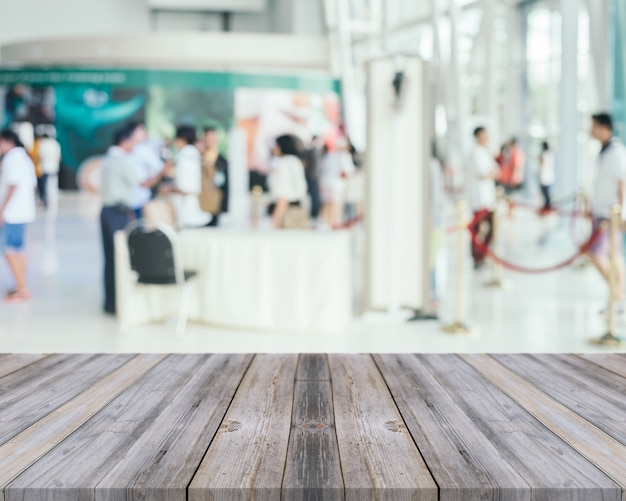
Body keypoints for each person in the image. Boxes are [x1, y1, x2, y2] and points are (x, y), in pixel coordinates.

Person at [100, 127, 147, 315]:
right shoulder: (123, 161)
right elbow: (144, 182)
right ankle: (121, 302)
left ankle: (110, 302)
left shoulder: (107, 159)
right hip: (119, 214)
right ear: (125, 141)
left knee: (110, 258)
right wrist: (163, 172)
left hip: (106, 212)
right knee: (121, 257)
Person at [587, 113, 626, 311]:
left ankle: (618, 296)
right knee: (612, 254)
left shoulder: (617, 152)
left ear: (604, 128)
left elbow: (623, 182)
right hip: (602, 212)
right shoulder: (605, 150)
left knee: (600, 254)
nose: (590, 130)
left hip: (610, 214)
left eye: (593, 126)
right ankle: (617, 296)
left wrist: (623, 213)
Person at [0, 129, 37, 303]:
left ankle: (22, 288)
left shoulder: (11, 159)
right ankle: (20, 284)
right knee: (19, 249)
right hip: (23, 212)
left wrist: (2, 210)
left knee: (8, 249)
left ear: (7, 141)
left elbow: (13, 185)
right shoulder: (24, 158)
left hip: (12, 213)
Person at [467, 126, 499, 269]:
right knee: (477, 229)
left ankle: (482, 254)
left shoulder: (485, 152)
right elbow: (484, 173)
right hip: (478, 199)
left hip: (488, 199)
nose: (487, 138)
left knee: (491, 228)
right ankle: (476, 257)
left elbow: (496, 171)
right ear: (478, 136)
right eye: (485, 135)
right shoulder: (474, 154)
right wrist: (491, 173)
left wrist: (491, 173)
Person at [168, 126, 211, 228]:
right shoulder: (194, 155)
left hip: (188, 209)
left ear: (181, 139)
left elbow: (185, 187)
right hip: (194, 204)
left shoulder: (185, 157)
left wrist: (171, 189)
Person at [268, 134, 308, 229]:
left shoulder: (282, 164)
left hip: (285, 214)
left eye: (276, 146)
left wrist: (276, 222)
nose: (273, 149)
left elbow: (283, 196)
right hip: (297, 210)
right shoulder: (295, 162)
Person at [128, 121, 165, 219]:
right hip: (141, 198)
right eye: (141, 130)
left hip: (129, 201)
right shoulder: (142, 149)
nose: (144, 133)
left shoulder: (126, 150)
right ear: (132, 133)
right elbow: (160, 167)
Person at [319, 138, 355, 227]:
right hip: (336, 184)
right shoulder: (344, 155)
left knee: (327, 203)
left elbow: (322, 168)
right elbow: (348, 170)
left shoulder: (329, 155)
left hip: (325, 182)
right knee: (336, 204)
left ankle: (324, 223)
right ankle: (333, 223)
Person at [199, 127, 229, 227]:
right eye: (207, 138)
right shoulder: (198, 158)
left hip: (216, 204)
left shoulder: (222, 161)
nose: (209, 141)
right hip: (200, 205)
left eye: (212, 139)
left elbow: (224, 185)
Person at [37, 131, 61, 211]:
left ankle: (45, 201)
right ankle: (53, 200)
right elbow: (58, 157)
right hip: (54, 167)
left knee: (44, 185)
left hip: (45, 167)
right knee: (53, 184)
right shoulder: (56, 144)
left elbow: (40, 156)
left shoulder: (43, 144)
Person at [301, 135, 323, 220]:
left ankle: (314, 213)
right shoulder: (314, 150)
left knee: (314, 196)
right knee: (313, 196)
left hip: (312, 176)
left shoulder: (314, 150)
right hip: (312, 176)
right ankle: (314, 213)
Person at [539, 141, 556, 213]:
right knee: (547, 194)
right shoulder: (551, 154)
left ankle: (547, 207)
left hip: (544, 176)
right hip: (550, 176)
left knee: (545, 194)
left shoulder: (544, 155)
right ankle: (547, 206)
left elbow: (542, 164)